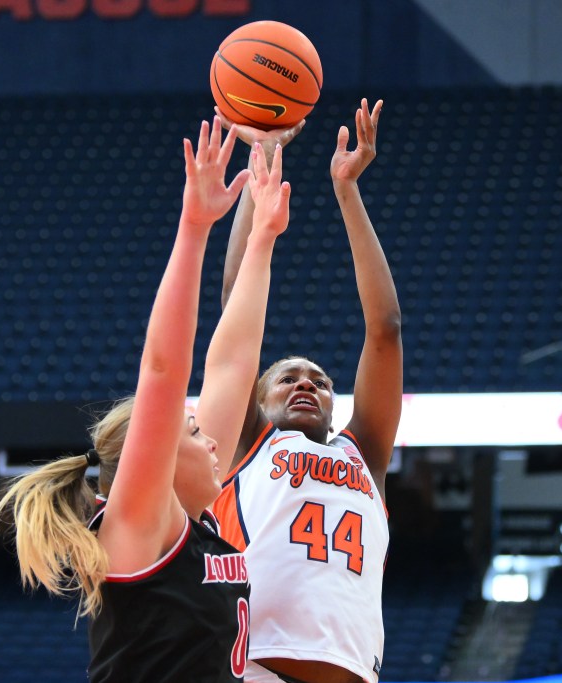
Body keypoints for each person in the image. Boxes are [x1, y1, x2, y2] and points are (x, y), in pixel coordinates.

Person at [0, 116, 292, 683]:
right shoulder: (135, 528)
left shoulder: (190, 526)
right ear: (150, 460)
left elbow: (231, 367)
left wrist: (263, 241)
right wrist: (195, 225)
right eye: (195, 432)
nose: (212, 440)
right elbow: (162, 370)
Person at [211, 98, 402, 683]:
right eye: (287, 376)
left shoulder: (360, 453)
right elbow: (236, 308)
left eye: (319, 381)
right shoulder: (248, 443)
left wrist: (347, 190)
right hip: (255, 668)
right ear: (258, 396)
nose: (305, 384)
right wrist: (264, 153)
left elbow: (386, 329)